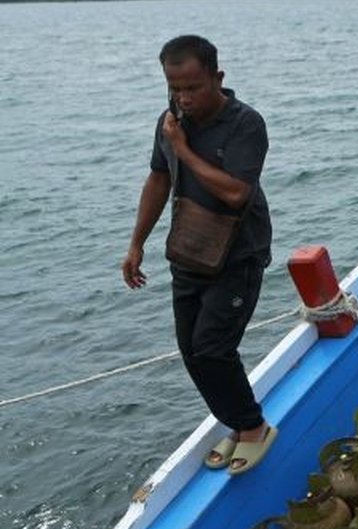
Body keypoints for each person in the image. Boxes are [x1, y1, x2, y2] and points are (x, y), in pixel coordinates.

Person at [121, 35, 276, 475]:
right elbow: (157, 181)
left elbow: (235, 193)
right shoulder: (169, 122)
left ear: (217, 78)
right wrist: (136, 243)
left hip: (238, 254)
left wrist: (184, 149)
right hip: (190, 250)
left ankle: (253, 427)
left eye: (193, 87)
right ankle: (238, 423)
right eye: (175, 88)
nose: (183, 98)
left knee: (213, 347)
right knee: (191, 350)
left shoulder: (246, 124)